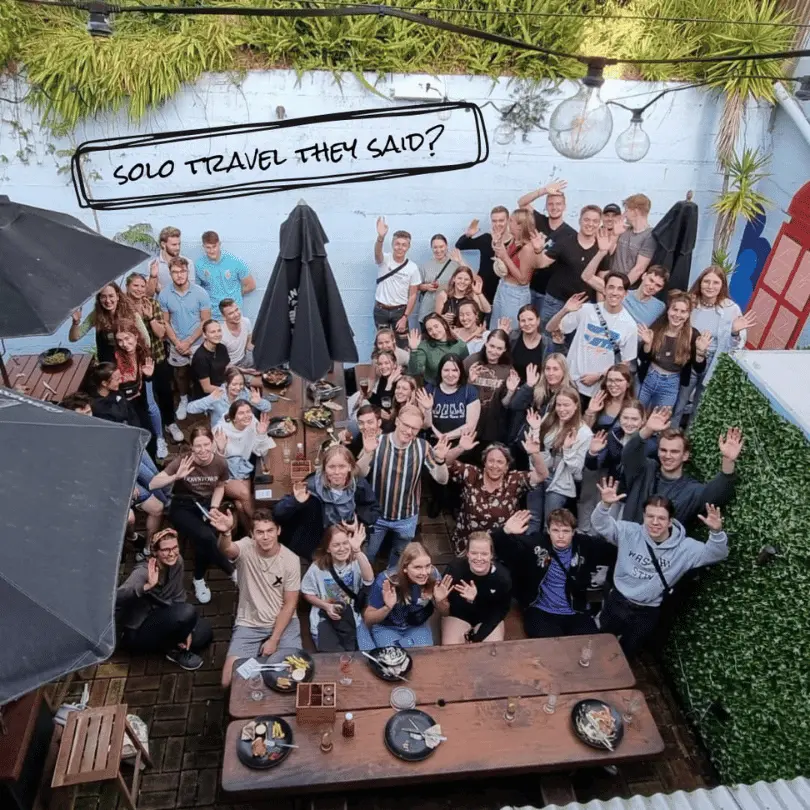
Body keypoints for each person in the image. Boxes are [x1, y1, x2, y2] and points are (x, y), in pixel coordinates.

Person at [593, 477, 728, 657]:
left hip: (647, 611)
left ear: (670, 521)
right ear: (644, 517)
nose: (655, 522)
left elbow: (716, 553)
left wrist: (716, 532)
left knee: (628, 653)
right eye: (650, 516)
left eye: (661, 518)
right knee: (599, 644)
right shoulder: (629, 532)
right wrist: (604, 505)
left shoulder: (684, 548)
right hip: (617, 601)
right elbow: (601, 525)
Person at [209, 508, 302, 688]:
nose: (265, 537)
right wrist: (226, 532)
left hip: (284, 623)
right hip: (249, 623)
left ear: (278, 531)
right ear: (252, 534)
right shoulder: (245, 547)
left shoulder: (291, 559)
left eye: (270, 531)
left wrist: (274, 640)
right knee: (228, 682)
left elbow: (290, 604)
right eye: (260, 532)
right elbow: (226, 549)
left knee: (292, 677)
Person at [356, 405, 450, 565]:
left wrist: (440, 461)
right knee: (368, 553)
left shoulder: (423, 447)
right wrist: (368, 453)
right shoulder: (378, 443)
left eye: (415, 428)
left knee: (400, 555)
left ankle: (392, 577)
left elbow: (442, 480)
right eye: (406, 425)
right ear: (397, 422)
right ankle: (366, 582)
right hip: (377, 515)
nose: (409, 431)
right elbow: (359, 474)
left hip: (407, 517)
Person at [492, 509, 608, 638]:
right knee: (550, 649)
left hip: (576, 610)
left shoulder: (584, 544)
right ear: (548, 531)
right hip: (541, 610)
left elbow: (612, 551)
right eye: (555, 530)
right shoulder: (537, 543)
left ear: (573, 532)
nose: (560, 536)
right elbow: (502, 548)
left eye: (565, 531)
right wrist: (505, 531)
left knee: (591, 644)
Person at [149, 426, 231, 604]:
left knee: (207, 536)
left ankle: (199, 578)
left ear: (212, 443)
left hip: (206, 505)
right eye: (198, 446)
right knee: (205, 535)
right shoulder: (183, 461)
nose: (202, 450)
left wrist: (215, 507)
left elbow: (220, 486)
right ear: (192, 447)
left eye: (206, 445)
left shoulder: (220, 462)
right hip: (182, 505)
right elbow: (153, 484)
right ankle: (232, 571)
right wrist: (175, 477)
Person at [621, 407, 742, 526]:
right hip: (628, 541)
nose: (667, 455)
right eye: (663, 450)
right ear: (657, 451)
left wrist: (728, 461)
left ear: (685, 455)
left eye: (674, 452)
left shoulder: (691, 490)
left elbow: (716, 495)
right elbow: (629, 454)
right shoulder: (646, 469)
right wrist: (647, 430)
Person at [115, 529, 213, 671]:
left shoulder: (177, 562)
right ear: (155, 552)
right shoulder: (143, 572)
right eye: (165, 550)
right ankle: (172, 649)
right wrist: (147, 586)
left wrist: (186, 631)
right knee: (187, 612)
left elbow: (178, 597)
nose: (171, 553)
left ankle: (171, 644)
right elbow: (117, 597)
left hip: (164, 614)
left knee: (203, 632)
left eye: (174, 548)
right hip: (138, 628)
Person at [672, 266, 757, 426]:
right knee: (679, 402)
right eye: (706, 281)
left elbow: (736, 346)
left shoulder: (731, 309)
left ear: (722, 285)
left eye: (715, 283)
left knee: (700, 407)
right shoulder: (690, 303)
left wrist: (734, 332)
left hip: (714, 363)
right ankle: (668, 437)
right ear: (700, 282)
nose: (710, 286)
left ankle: (688, 442)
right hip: (690, 360)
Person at [274, 444, 381, 561]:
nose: (336, 472)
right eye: (331, 467)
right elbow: (278, 513)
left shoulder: (359, 485)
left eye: (342, 466)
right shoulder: (311, 485)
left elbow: (373, 509)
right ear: (324, 468)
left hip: (345, 544)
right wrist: (295, 501)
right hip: (314, 546)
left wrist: (359, 524)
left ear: (350, 467)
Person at [546, 273, 638, 407]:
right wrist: (564, 310)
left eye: (620, 289)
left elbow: (625, 364)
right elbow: (551, 328)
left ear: (625, 294)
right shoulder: (586, 310)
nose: (614, 292)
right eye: (611, 287)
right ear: (604, 290)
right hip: (570, 382)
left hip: (597, 391)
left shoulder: (630, 325)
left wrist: (600, 376)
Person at [536, 205, 607, 351]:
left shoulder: (602, 249)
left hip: (581, 307)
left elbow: (602, 284)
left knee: (573, 346)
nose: (590, 224)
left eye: (595, 221)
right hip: (555, 302)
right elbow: (542, 263)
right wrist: (537, 250)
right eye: (587, 219)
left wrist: (601, 311)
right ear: (580, 220)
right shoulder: (565, 242)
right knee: (547, 341)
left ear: (599, 223)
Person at [446, 438, 533, 554]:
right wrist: (460, 448)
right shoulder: (472, 474)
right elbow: (446, 462)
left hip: (502, 545)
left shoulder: (514, 479)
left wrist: (535, 453)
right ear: (484, 463)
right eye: (491, 461)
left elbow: (542, 475)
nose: (495, 466)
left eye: (500, 462)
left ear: (507, 466)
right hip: (469, 545)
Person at [125, 272, 182, 446]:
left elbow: (161, 333)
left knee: (165, 392)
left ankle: (170, 423)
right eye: (135, 285)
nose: (139, 289)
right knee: (144, 400)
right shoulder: (123, 308)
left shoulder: (153, 304)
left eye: (142, 286)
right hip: (134, 362)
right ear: (127, 287)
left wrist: (149, 318)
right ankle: (153, 434)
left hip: (157, 357)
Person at [578, 363, 636, 532]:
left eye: (618, 380)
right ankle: (583, 531)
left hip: (615, 460)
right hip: (594, 454)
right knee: (587, 496)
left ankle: (597, 534)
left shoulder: (632, 406)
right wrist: (590, 411)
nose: (613, 384)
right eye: (610, 380)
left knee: (604, 500)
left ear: (628, 383)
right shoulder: (600, 400)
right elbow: (584, 429)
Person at [362, 542, 452, 649]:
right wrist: (387, 608)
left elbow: (445, 612)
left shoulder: (433, 576)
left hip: (417, 625)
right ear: (405, 568)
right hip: (387, 627)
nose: (424, 572)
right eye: (417, 567)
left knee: (424, 657)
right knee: (393, 659)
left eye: (428, 566)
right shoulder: (386, 580)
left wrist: (440, 601)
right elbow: (368, 619)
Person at [524, 387, 592, 528]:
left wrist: (567, 450)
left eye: (566, 405)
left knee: (551, 523)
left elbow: (577, 472)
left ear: (576, 405)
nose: (561, 409)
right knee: (532, 518)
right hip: (539, 474)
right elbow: (534, 449)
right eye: (559, 405)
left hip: (560, 482)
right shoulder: (549, 419)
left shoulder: (584, 433)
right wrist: (535, 429)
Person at [301, 524, 375, 652]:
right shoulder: (317, 567)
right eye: (336, 545)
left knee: (367, 653)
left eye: (345, 543)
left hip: (352, 618)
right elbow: (307, 593)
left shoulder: (356, 561)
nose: (342, 549)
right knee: (334, 657)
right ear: (328, 548)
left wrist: (357, 550)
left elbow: (369, 579)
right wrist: (326, 606)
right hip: (324, 618)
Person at [158, 256, 212, 422]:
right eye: (175, 272)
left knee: (202, 373)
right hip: (176, 343)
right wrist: (178, 343)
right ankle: (183, 399)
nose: (179, 275)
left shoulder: (201, 293)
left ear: (188, 272)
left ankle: (205, 402)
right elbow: (165, 322)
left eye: (182, 271)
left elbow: (205, 321)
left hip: (197, 342)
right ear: (170, 273)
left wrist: (189, 342)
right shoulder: (164, 295)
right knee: (180, 374)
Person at [637, 292, 710, 410]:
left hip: (671, 383)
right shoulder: (657, 328)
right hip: (648, 377)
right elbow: (643, 358)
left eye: (683, 311)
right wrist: (647, 344)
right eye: (674, 309)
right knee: (636, 413)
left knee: (660, 420)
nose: (678, 315)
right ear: (668, 311)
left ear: (688, 314)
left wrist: (700, 352)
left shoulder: (693, 335)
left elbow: (699, 369)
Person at [582, 230, 668, 328]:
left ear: (661, 289)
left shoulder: (659, 307)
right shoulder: (621, 292)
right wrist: (601, 253)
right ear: (644, 276)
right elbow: (586, 277)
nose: (652, 286)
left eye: (658, 285)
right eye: (651, 280)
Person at [517, 179, 577, 313]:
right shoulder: (539, 220)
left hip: (551, 295)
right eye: (550, 204)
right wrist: (544, 190)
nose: (554, 207)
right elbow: (522, 203)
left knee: (543, 330)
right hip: (530, 286)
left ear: (564, 206)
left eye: (558, 204)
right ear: (546, 206)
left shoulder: (571, 234)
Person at [442, 533, 512, 644]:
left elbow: (501, 610)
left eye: (484, 554)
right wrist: (440, 600)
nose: (479, 558)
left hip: (488, 617)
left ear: (491, 555)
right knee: (452, 650)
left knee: (491, 651)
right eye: (474, 553)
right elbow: (449, 610)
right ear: (467, 554)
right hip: (460, 616)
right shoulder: (454, 570)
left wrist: (478, 637)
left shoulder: (502, 577)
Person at [213, 402, 274, 526]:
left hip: (242, 469)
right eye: (241, 413)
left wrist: (261, 434)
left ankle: (250, 534)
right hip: (224, 473)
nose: (246, 416)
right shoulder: (220, 430)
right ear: (233, 417)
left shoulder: (252, 423)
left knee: (240, 505)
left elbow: (261, 451)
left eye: (248, 412)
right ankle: (262, 523)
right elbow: (213, 463)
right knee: (245, 494)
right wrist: (220, 449)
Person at [69, 282, 148, 365]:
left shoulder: (132, 314)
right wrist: (75, 323)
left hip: (129, 362)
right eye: (103, 296)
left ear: (117, 296)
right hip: (107, 364)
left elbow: (147, 342)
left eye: (111, 296)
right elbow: (74, 338)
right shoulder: (96, 314)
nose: (107, 301)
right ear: (99, 298)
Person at [114, 320, 161, 457]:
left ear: (135, 335)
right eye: (120, 340)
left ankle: (155, 457)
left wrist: (148, 376)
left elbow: (147, 381)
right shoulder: (115, 358)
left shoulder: (143, 353)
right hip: (124, 402)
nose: (124, 344)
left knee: (148, 432)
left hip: (140, 398)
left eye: (127, 338)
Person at [489, 209, 544, 325]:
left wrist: (505, 257)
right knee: (496, 326)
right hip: (503, 286)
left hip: (515, 293)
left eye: (511, 221)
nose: (509, 223)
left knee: (510, 331)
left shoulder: (527, 248)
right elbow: (503, 261)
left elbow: (523, 280)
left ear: (520, 226)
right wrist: (497, 243)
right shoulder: (514, 240)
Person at [374, 217, 421, 347]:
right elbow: (377, 254)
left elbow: (413, 295)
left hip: (400, 311)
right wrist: (380, 237)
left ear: (408, 247)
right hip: (381, 309)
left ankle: (400, 368)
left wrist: (405, 317)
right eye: (397, 244)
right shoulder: (385, 260)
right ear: (393, 244)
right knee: (382, 345)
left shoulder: (413, 268)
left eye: (404, 244)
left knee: (402, 345)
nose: (400, 247)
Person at [585, 399, 648, 489]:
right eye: (625, 418)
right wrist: (593, 453)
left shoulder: (650, 442)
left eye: (634, 419)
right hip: (613, 490)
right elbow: (593, 466)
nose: (629, 423)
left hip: (637, 492)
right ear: (619, 419)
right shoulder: (612, 436)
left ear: (643, 421)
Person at [454, 206, 510, 306]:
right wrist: (468, 234)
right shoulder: (486, 238)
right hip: (483, 289)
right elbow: (460, 246)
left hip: (505, 290)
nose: (497, 224)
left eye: (501, 220)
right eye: (494, 221)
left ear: (508, 220)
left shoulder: (514, 242)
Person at [464, 329, 512, 446]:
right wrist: (469, 381)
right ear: (485, 343)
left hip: (492, 428)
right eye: (491, 346)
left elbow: (505, 404)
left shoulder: (507, 369)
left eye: (499, 348)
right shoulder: (471, 361)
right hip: (468, 424)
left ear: (505, 350)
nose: (494, 351)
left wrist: (511, 390)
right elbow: (457, 393)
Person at [186, 366, 272, 427]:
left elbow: (268, 408)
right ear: (226, 383)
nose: (238, 388)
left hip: (242, 432)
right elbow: (190, 408)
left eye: (241, 384)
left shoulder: (245, 393)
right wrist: (209, 400)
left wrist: (259, 402)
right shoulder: (217, 395)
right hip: (222, 435)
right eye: (234, 384)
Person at [195, 230, 256, 316]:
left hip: (234, 314)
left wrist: (234, 295)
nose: (212, 251)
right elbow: (197, 290)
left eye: (214, 246)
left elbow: (251, 285)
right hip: (212, 314)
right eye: (208, 247)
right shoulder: (198, 264)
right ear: (203, 247)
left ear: (219, 244)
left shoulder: (234, 261)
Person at [421, 354, 480, 441]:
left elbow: (471, 426)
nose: (450, 374)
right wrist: (427, 410)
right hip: (432, 442)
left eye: (455, 370)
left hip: (461, 445)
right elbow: (424, 425)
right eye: (446, 370)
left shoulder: (470, 391)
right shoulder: (430, 390)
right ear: (440, 371)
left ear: (460, 371)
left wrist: (445, 437)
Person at [407, 313, 469, 385]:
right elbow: (415, 371)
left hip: (456, 386)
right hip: (433, 387)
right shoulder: (424, 346)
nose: (434, 331)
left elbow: (466, 369)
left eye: (436, 326)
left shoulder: (460, 345)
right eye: (429, 329)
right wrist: (414, 350)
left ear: (444, 325)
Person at [610, 194, 656, 282]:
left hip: (627, 286)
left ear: (635, 212)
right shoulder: (624, 230)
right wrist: (615, 234)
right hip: (611, 280)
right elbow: (610, 252)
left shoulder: (649, 236)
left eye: (626, 210)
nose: (624, 214)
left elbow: (639, 269)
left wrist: (622, 287)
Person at [416, 234, 459, 327]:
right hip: (428, 310)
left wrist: (460, 261)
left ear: (446, 246)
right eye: (435, 247)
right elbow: (417, 286)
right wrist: (426, 287)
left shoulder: (455, 264)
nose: (438, 250)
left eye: (441, 246)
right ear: (431, 248)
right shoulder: (425, 266)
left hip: (448, 310)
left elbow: (468, 280)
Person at [147, 226, 196, 294]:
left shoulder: (188, 263)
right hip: (160, 304)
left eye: (179, 244)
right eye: (174, 245)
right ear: (163, 244)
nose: (178, 248)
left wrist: (162, 291)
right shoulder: (153, 264)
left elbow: (191, 291)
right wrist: (153, 277)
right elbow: (148, 295)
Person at [191, 319, 231, 400]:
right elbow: (207, 388)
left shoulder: (222, 347)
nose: (217, 334)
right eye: (213, 332)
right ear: (205, 335)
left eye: (219, 331)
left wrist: (244, 371)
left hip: (223, 385)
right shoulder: (201, 357)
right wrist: (229, 390)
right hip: (209, 395)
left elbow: (228, 367)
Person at [509, 304, 544, 382]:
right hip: (512, 384)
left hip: (537, 388)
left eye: (530, 319)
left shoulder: (546, 343)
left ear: (538, 321)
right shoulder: (512, 337)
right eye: (523, 321)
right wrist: (502, 336)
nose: (527, 324)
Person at [218, 299, 255, 369]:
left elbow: (249, 340)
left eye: (237, 310)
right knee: (257, 380)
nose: (236, 314)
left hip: (246, 359)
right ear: (224, 316)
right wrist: (244, 371)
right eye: (231, 313)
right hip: (232, 366)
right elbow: (223, 364)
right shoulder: (220, 335)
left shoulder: (246, 321)